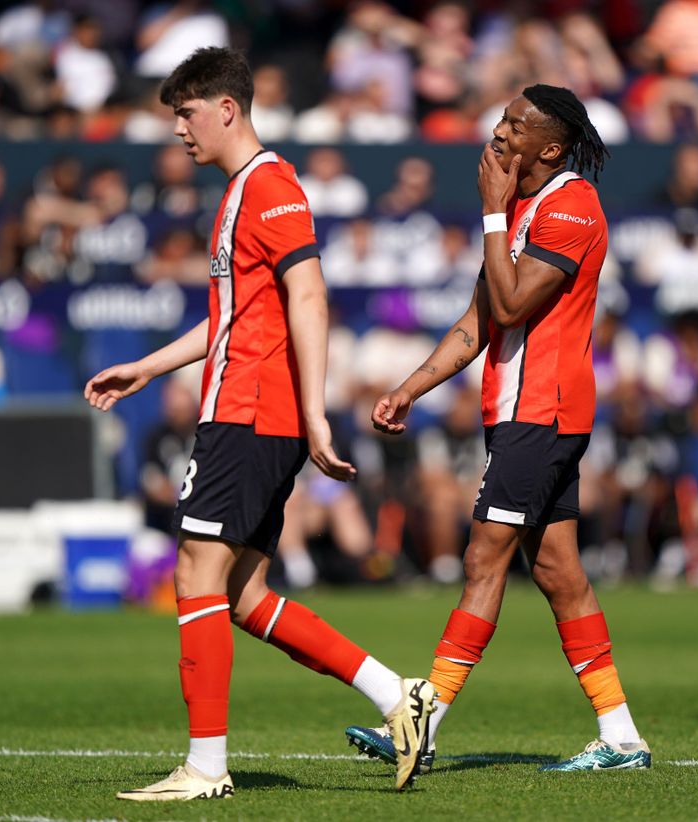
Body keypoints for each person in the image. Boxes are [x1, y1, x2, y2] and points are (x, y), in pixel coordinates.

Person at [82, 46, 435, 801]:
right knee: (240, 595)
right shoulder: (240, 192)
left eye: (186, 113)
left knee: (194, 572)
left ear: (227, 108)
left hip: (250, 412)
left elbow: (309, 297)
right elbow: (231, 318)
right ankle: (398, 695)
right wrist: (147, 366)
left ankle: (206, 767)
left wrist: (314, 415)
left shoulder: (269, 186)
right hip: (248, 409)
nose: (179, 130)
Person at [344, 84, 652, 773]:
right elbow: (478, 321)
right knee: (558, 570)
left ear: (550, 146)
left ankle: (422, 722)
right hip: (520, 411)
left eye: (517, 124)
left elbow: (511, 302)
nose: (500, 130)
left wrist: (488, 212)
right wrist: (409, 388)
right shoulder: (521, 208)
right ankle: (622, 734)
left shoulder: (571, 206)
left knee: (485, 556)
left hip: (542, 410)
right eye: (503, 117)